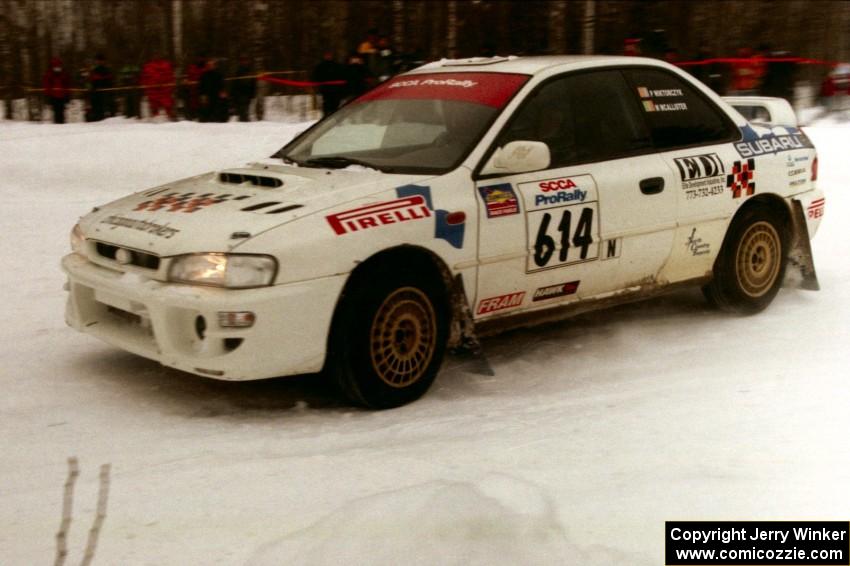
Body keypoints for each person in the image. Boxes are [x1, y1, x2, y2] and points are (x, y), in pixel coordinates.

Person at [312, 51, 347, 117]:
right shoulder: (320, 66)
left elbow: (343, 75)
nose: (328, 56)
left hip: (336, 89)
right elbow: (315, 76)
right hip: (326, 89)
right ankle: (326, 117)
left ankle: (334, 117)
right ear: (324, 56)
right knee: (326, 104)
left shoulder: (337, 65)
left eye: (329, 55)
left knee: (335, 104)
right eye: (327, 55)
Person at [141, 54, 175, 120]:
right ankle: (156, 122)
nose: (156, 57)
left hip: (165, 91)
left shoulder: (166, 65)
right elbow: (144, 78)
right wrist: (146, 89)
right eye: (155, 55)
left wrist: (170, 87)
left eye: (158, 55)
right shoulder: (148, 66)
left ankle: (170, 120)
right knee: (155, 108)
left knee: (168, 107)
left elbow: (171, 77)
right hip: (153, 91)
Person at [42, 57, 72, 124]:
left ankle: (61, 124)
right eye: (56, 67)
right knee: (56, 112)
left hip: (62, 96)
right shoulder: (49, 74)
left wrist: (67, 96)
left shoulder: (64, 74)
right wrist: (47, 96)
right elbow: (47, 86)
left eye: (59, 67)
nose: (57, 69)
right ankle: (57, 124)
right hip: (53, 96)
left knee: (61, 112)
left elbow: (67, 85)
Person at [199, 58, 227, 122]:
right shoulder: (204, 76)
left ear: (214, 66)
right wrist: (202, 95)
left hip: (217, 97)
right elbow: (201, 87)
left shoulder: (219, 75)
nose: (210, 66)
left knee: (218, 113)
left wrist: (223, 92)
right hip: (207, 97)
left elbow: (222, 85)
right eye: (208, 65)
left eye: (211, 65)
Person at [229, 56, 256, 122]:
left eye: (246, 61)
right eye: (243, 61)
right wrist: (233, 94)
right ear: (240, 62)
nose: (245, 62)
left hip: (248, 94)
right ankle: (244, 121)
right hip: (239, 94)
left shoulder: (251, 71)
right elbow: (234, 84)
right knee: (242, 111)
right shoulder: (238, 71)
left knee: (246, 110)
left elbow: (253, 83)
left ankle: (245, 121)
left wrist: (253, 93)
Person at [88, 53, 113, 121]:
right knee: (96, 108)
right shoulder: (94, 70)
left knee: (104, 109)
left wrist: (104, 85)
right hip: (96, 93)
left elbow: (110, 81)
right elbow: (91, 81)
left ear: (104, 61)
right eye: (98, 60)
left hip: (105, 93)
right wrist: (93, 88)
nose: (99, 62)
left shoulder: (107, 70)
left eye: (101, 60)